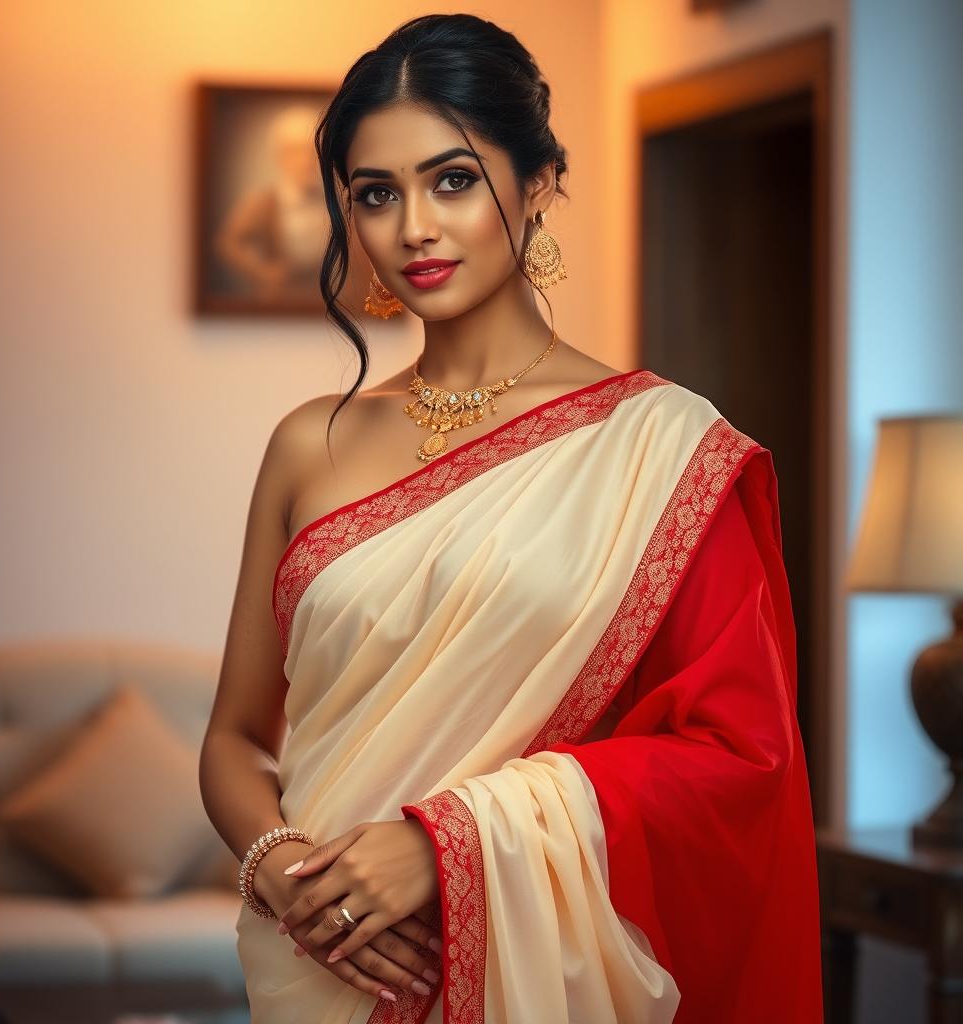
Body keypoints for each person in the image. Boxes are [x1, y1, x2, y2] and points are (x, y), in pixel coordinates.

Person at [198, 13, 823, 1024]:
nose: (413, 228)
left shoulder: (659, 449)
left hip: (540, 975)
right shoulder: (306, 445)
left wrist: (448, 844)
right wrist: (281, 871)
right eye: (375, 194)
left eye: (452, 179)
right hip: (319, 967)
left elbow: (735, 758)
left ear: (535, 185)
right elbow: (232, 737)